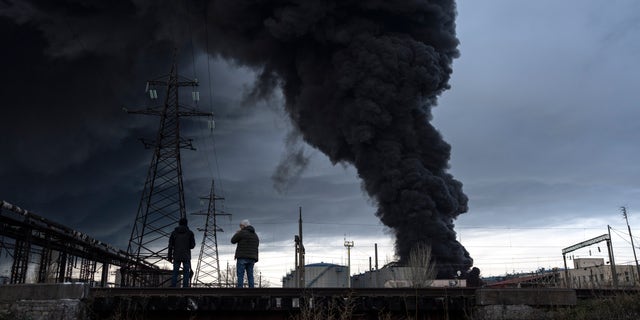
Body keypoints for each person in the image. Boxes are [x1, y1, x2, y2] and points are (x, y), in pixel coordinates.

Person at [231, 219, 259, 288]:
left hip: (242, 257)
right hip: (252, 258)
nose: (240, 227)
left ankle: (240, 291)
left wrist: (237, 233)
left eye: (241, 226)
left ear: (244, 226)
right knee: (250, 275)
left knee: (240, 275)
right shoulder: (255, 235)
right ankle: (251, 291)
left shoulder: (242, 232)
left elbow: (233, 240)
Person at [168, 217, 195, 287]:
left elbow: (170, 246)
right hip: (186, 256)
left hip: (176, 255)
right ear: (186, 224)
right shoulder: (190, 233)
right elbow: (192, 246)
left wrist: (169, 256)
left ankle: (173, 288)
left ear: (179, 223)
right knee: (186, 273)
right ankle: (185, 289)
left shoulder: (174, 233)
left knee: (175, 273)